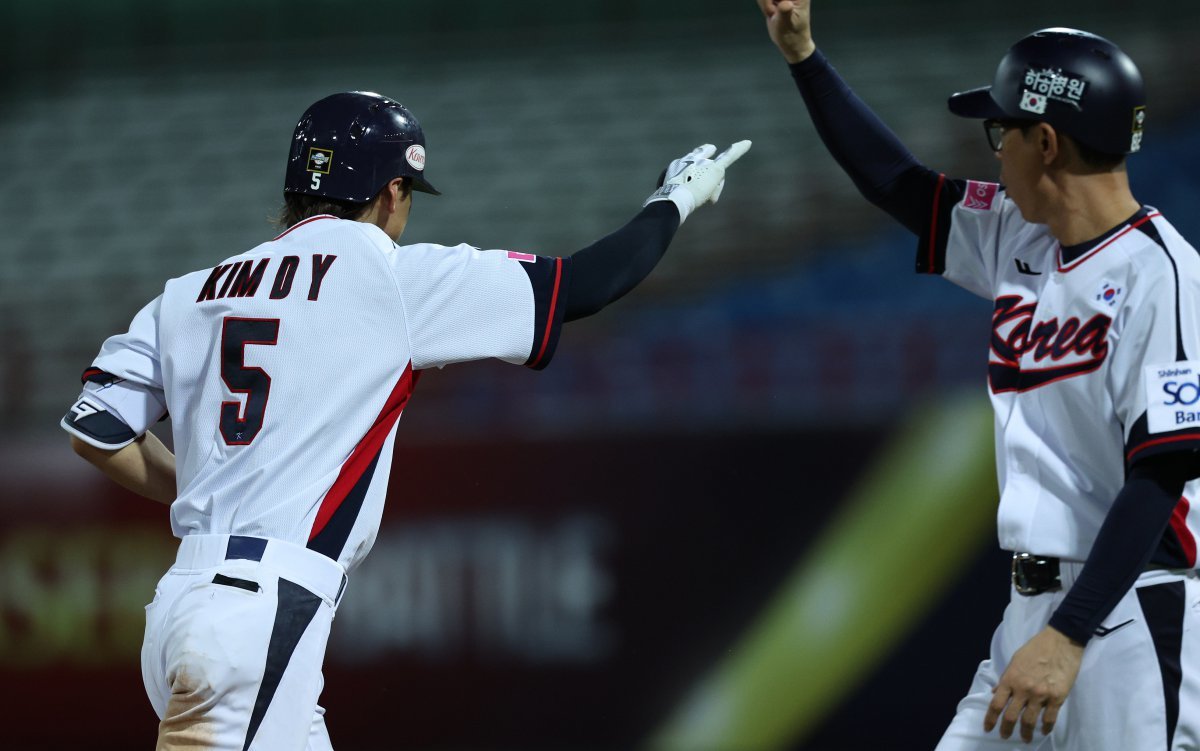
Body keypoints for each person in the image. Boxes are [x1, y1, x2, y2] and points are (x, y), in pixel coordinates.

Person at [61, 89, 750, 749]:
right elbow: (589, 284)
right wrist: (676, 197)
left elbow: (95, 428)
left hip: (185, 601)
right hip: (260, 617)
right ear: (392, 190)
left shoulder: (191, 291)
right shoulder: (386, 275)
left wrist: (208, 490)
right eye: (408, 195)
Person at [756, 2, 1200, 748]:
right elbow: (898, 183)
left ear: (1048, 141)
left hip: (1129, 608)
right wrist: (804, 56)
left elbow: (1159, 477)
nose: (994, 151)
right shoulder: (1018, 235)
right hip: (1032, 612)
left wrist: (1068, 634)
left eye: (1003, 132)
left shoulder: (1165, 276)